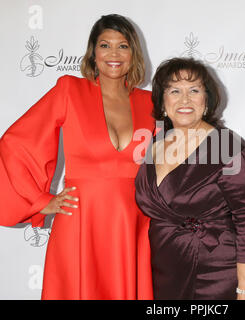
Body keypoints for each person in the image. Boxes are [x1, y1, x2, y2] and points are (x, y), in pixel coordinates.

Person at [0, 14, 154, 299]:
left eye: (123, 46)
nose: (114, 54)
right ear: (93, 53)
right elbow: (15, 142)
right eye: (105, 45)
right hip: (80, 221)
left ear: (134, 53)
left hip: (132, 223)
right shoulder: (70, 90)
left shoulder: (149, 103)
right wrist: (40, 201)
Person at [135, 57, 245, 300]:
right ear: (163, 102)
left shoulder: (226, 146)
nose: (184, 100)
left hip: (216, 273)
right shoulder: (154, 143)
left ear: (206, 100)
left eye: (194, 90)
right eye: (174, 91)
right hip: (163, 272)